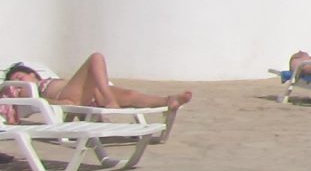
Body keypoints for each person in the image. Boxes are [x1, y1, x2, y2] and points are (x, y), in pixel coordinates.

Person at [6, 55, 193, 110]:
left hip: (86, 95)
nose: (17, 83)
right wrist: (59, 103)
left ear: (33, 74)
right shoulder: (29, 91)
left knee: (129, 95)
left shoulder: (48, 79)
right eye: (14, 83)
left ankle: (167, 100)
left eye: (20, 77)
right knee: (96, 58)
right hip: (68, 96)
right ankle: (108, 97)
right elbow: (41, 103)